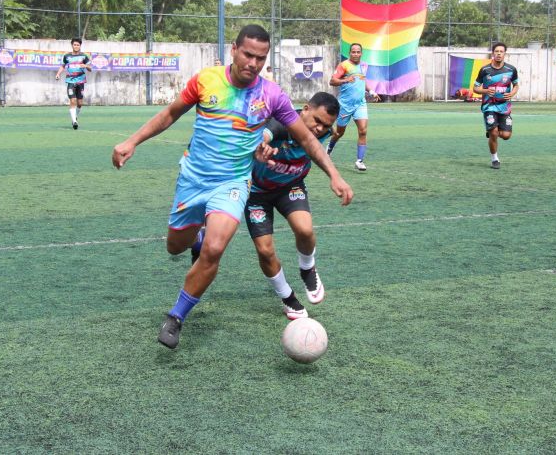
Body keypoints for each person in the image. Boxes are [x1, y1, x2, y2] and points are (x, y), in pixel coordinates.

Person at [111, 24, 353, 349]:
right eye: (248, 54)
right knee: (175, 247)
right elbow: (170, 114)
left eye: (261, 58)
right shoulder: (206, 80)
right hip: (193, 178)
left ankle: (176, 316)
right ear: (234, 50)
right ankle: (195, 234)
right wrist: (132, 141)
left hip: (234, 183)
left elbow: (307, 138)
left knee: (214, 250)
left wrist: (334, 175)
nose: (253, 63)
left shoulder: (272, 95)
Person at [245, 91, 339, 320]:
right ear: (305, 109)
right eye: (317, 121)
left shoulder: (325, 132)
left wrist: (335, 176)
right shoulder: (282, 122)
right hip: (256, 193)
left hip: (291, 187)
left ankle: (307, 268)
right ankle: (287, 296)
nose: (319, 129)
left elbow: (321, 148)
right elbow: (267, 132)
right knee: (265, 251)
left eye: (325, 126)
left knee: (305, 230)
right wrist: (263, 145)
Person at [326, 42, 379, 171]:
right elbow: (332, 81)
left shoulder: (364, 65)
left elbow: (363, 80)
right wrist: (345, 80)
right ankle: (328, 151)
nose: (355, 54)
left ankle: (359, 161)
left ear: (361, 53)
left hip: (360, 104)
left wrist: (371, 91)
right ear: (350, 53)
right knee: (339, 133)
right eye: (353, 52)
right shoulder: (344, 65)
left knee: (363, 131)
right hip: (345, 105)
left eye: (358, 52)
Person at [473, 42, 519, 169]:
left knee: (506, 136)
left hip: (505, 107)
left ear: (505, 53)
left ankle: (491, 131)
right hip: (489, 106)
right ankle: (494, 159)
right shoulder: (485, 70)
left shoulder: (511, 70)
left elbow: (516, 85)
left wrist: (512, 94)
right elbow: (475, 88)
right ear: (493, 53)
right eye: (496, 51)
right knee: (494, 133)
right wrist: (486, 91)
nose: (499, 53)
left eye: (501, 51)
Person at [55, 37, 91, 130]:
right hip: (70, 81)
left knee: (79, 103)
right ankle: (74, 121)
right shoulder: (67, 56)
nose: (76, 46)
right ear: (72, 45)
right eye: (74, 44)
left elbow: (90, 69)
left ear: (80, 46)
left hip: (81, 81)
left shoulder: (84, 56)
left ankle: (74, 117)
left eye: (78, 45)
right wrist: (58, 74)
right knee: (73, 101)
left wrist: (86, 66)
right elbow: (63, 66)